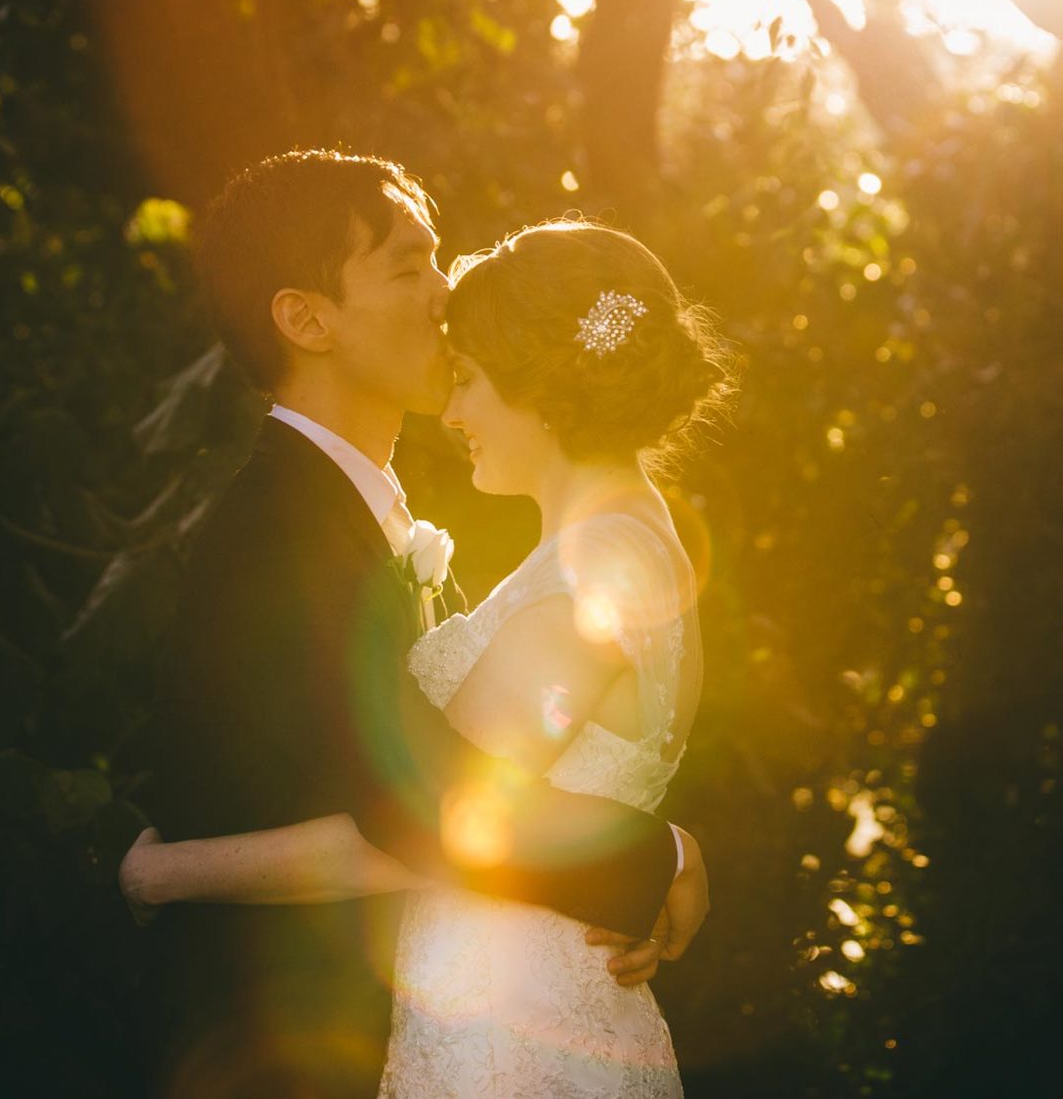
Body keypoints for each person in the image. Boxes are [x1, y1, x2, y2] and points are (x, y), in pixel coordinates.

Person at [125, 153, 716, 1096]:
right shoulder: (276, 541)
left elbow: (452, 793)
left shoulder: (388, 519)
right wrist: (656, 854)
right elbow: (418, 814)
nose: (445, 295)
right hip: (282, 1056)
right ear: (306, 318)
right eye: (409, 268)